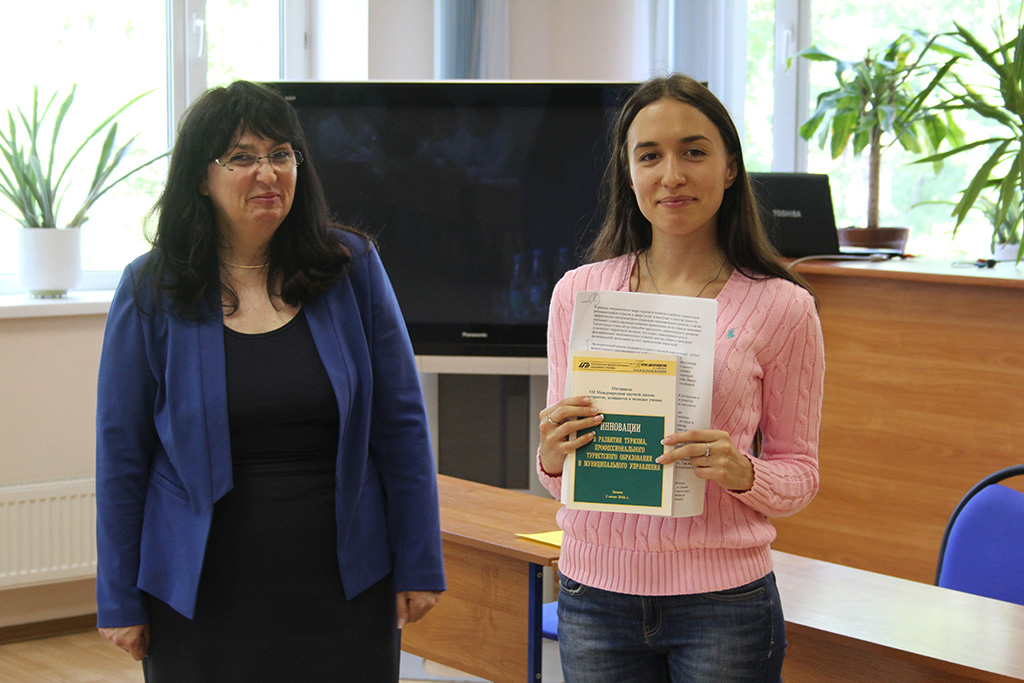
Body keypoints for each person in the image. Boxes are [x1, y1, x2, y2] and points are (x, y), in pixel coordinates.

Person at [95, 80, 445, 682]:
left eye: (281, 154)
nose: (268, 173)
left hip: (345, 583)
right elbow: (122, 452)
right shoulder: (152, 287)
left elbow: (402, 426)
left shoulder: (351, 268)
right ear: (201, 178)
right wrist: (119, 595)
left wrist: (419, 562)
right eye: (242, 157)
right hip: (202, 590)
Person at [536, 73, 824, 682]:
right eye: (650, 156)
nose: (672, 175)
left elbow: (800, 472)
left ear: (729, 167)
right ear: (628, 173)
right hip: (593, 594)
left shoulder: (784, 306)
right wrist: (553, 455)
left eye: (693, 151)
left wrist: (744, 473)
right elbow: (557, 473)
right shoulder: (578, 293)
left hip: (724, 605)